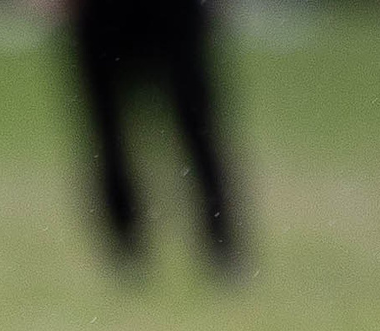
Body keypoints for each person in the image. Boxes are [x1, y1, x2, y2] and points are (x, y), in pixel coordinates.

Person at [51, 0, 245, 278]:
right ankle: (124, 246)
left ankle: (221, 241)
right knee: (107, 136)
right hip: (102, 13)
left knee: (198, 128)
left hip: (173, 12)